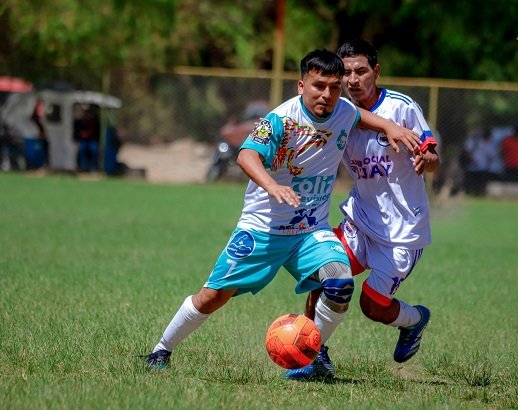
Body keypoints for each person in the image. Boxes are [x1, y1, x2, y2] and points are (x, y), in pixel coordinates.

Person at [145, 49, 421, 375]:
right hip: (262, 229)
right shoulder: (279, 120)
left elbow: (359, 116)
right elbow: (246, 155)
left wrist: (390, 127)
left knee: (340, 282)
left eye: (334, 87)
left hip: (309, 230)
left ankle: (313, 357)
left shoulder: (343, 110)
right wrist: (272, 186)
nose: (327, 94)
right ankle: (161, 351)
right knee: (212, 296)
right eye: (319, 86)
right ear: (301, 85)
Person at [286, 40, 439, 380]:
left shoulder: (401, 108)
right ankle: (316, 355)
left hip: (402, 232)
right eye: (347, 73)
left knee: (372, 306)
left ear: (376, 72)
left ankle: (415, 319)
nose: (353, 80)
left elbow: (432, 156)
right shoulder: (339, 113)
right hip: (360, 219)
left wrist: (426, 159)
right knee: (322, 272)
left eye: (361, 71)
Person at [460, 129, 499, 195]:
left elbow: (491, 156)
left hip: (483, 168)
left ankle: (479, 194)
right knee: (470, 183)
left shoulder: (489, 145)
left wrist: (487, 163)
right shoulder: (475, 142)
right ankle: (469, 193)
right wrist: (471, 159)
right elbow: (466, 151)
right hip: (471, 167)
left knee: (481, 184)